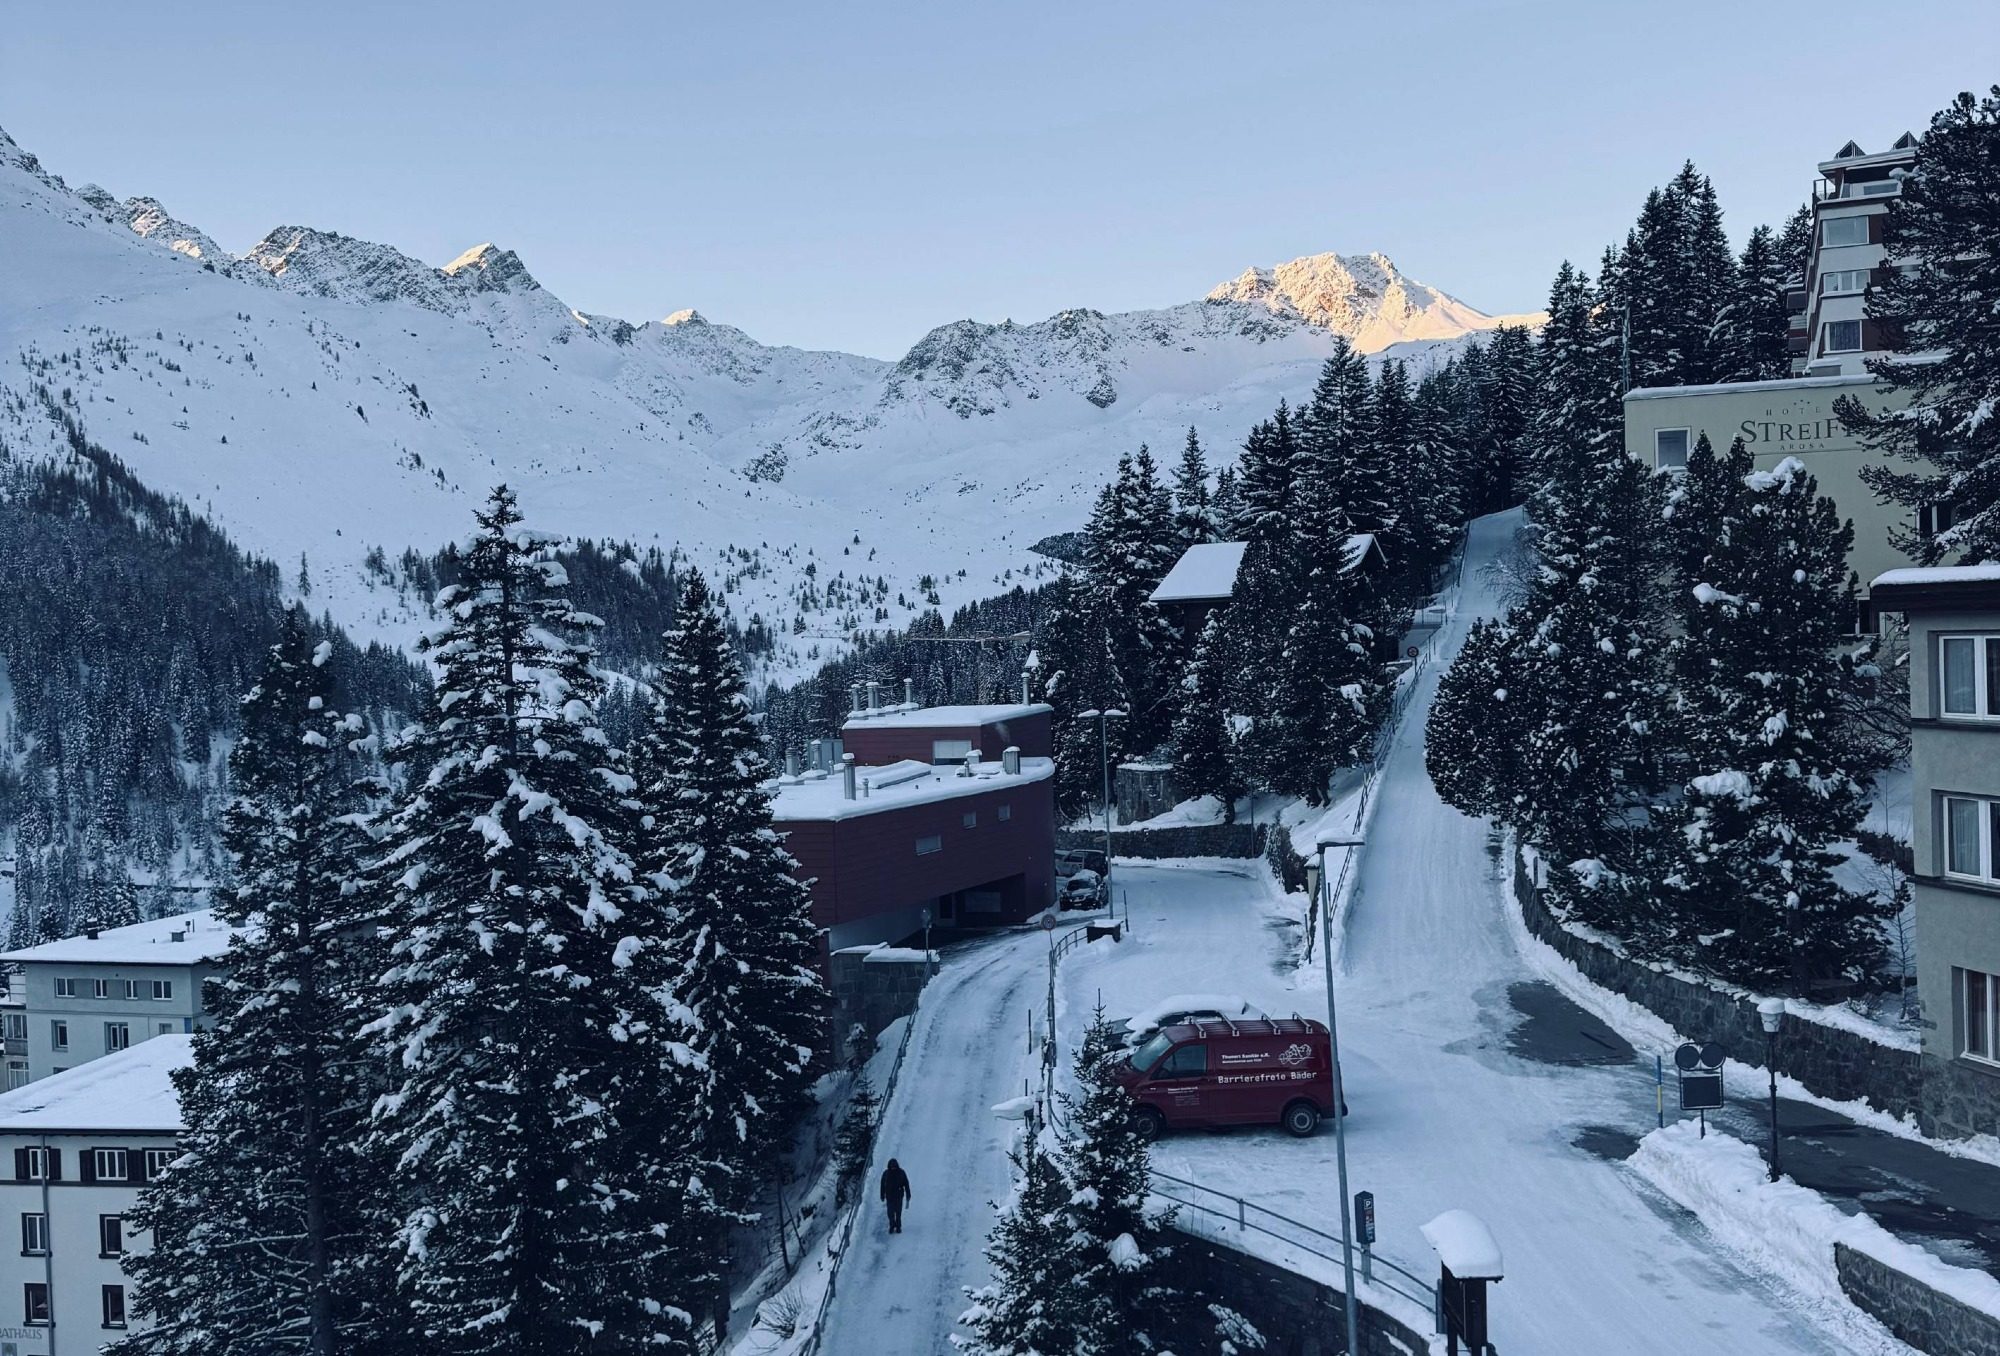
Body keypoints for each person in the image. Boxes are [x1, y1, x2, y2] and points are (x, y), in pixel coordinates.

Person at [879, 1157, 912, 1234]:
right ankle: (892, 1225)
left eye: (894, 1167)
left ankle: (898, 1227)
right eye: (892, 1167)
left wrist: (908, 1194)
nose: (893, 1168)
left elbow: (906, 1184)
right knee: (890, 1213)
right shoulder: (886, 1174)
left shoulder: (901, 1173)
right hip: (889, 1196)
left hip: (899, 1196)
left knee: (898, 1213)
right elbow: (882, 1185)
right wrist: (882, 1195)